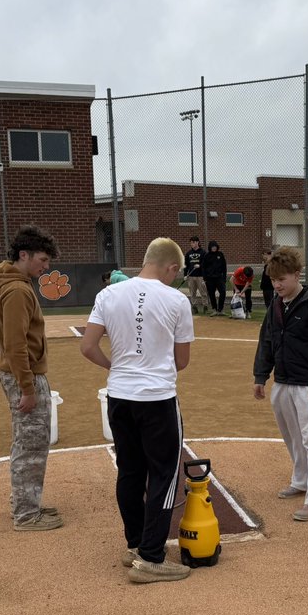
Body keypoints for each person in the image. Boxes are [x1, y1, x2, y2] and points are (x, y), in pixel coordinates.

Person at [80, 237, 195, 583]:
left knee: (130, 471)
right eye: (177, 272)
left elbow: (88, 347)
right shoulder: (177, 299)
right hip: (157, 398)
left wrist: (116, 367)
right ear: (171, 267)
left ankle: (135, 545)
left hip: (119, 396)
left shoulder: (108, 295)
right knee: (164, 474)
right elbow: (182, 361)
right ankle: (151, 557)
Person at [252, 246, 308, 521]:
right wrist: (260, 375)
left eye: (282, 279)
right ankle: (301, 481)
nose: (277, 285)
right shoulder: (276, 305)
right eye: (273, 280)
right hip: (283, 383)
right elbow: (266, 340)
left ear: (297, 275)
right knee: (294, 438)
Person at [0, 226, 61, 531]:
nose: (46, 266)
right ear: (24, 255)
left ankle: (27, 503)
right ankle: (26, 515)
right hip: (25, 375)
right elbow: (16, 344)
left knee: (28, 440)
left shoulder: (14, 284)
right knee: (31, 442)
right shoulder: (18, 290)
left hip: (22, 373)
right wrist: (27, 388)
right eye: (42, 259)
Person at [183, 236, 207, 313]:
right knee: (192, 293)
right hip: (191, 276)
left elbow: (206, 263)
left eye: (193, 242)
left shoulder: (203, 253)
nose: (192, 244)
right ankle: (194, 307)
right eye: (191, 243)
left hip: (200, 276)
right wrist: (185, 275)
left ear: (197, 242)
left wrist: (200, 265)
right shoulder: (188, 253)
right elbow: (186, 265)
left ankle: (205, 306)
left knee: (203, 292)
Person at [202, 240, 227, 315]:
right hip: (210, 278)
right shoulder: (207, 256)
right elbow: (203, 267)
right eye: (212, 247)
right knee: (211, 294)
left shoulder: (220, 254)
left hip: (219, 277)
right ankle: (214, 309)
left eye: (215, 247)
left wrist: (224, 277)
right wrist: (205, 278)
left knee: (223, 292)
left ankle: (220, 309)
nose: (214, 248)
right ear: (210, 247)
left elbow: (224, 266)